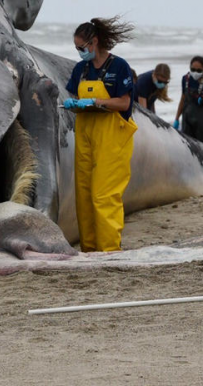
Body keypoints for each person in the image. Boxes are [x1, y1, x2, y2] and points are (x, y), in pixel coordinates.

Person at [63, 17, 137, 252]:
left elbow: (124, 103)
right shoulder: (80, 69)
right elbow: (75, 98)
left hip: (112, 135)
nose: (79, 52)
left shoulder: (119, 66)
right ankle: (90, 249)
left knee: (103, 195)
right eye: (76, 49)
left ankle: (109, 250)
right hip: (85, 132)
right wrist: (73, 104)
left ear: (94, 42)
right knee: (84, 195)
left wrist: (97, 101)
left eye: (81, 48)